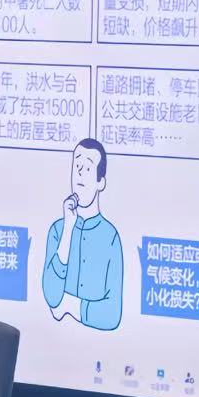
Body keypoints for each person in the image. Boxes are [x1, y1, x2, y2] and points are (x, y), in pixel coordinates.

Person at [41, 138, 123, 331]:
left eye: (87, 168)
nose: (79, 173)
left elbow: (111, 315)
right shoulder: (58, 230)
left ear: (100, 182)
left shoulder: (110, 236)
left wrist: (70, 305)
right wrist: (68, 229)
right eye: (77, 166)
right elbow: (51, 297)